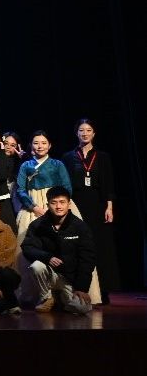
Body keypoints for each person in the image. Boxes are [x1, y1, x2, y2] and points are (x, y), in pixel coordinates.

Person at [61, 119, 117, 302]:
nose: (84, 133)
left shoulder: (103, 157)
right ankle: (78, 288)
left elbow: (109, 184)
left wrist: (109, 207)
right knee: (78, 246)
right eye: (81, 130)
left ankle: (103, 290)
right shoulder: (68, 157)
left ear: (94, 133)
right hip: (76, 205)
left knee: (100, 246)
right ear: (76, 133)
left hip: (98, 205)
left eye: (88, 130)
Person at [21, 187, 96, 315]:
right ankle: (47, 298)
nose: (58, 206)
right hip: (49, 274)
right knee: (36, 266)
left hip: (69, 278)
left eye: (62, 202)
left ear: (69, 204)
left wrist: (81, 288)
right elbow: (27, 247)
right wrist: (47, 257)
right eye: (54, 203)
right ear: (47, 205)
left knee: (82, 308)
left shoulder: (80, 226)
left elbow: (87, 258)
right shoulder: (38, 225)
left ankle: (60, 300)